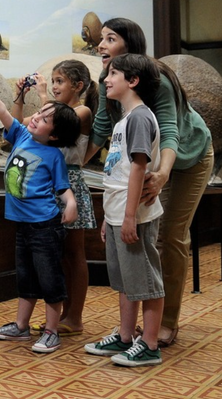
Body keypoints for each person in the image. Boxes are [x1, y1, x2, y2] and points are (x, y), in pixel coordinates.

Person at [84, 17, 214, 348]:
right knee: (147, 239)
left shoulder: (159, 80)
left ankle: (165, 323)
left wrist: (163, 175)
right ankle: (134, 328)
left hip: (188, 156)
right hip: (150, 161)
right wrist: (69, 167)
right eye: (101, 38)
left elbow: (169, 130)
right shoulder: (108, 80)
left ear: (129, 46)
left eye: (110, 39)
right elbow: (101, 129)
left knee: (170, 235)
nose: (100, 45)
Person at [0, 69, 81, 354]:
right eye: (39, 113)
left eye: (45, 119)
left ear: (55, 135)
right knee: (25, 276)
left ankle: (51, 331)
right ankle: (21, 326)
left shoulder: (53, 155)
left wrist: (72, 203)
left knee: (50, 278)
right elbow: (1, 110)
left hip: (45, 226)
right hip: (23, 225)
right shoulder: (22, 136)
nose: (36, 118)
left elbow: (63, 187)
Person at [84, 53, 165, 366]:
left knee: (146, 281)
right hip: (119, 213)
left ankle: (150, 344)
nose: (106, 80)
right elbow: (117, 173)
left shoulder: (141, 118)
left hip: (136, 216)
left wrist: (130, 217)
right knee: (126, 281)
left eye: (113, 74)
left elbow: (138, 168)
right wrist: (111, 217)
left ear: (133, 81)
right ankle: (125, 335)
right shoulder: (123, 120)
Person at [13, 61, 98, 336]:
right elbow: (18, 125)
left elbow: (55, 121)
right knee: (55, 253)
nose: (54, 86)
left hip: (69, 183)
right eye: (53, 81)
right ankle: (62, 313)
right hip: (48, 184)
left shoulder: (82, 111)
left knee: (74, 253)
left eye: (60, 81)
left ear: (78, 86)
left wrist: (42, 96)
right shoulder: (50, 110)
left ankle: (75, 316)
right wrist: (20, 97)